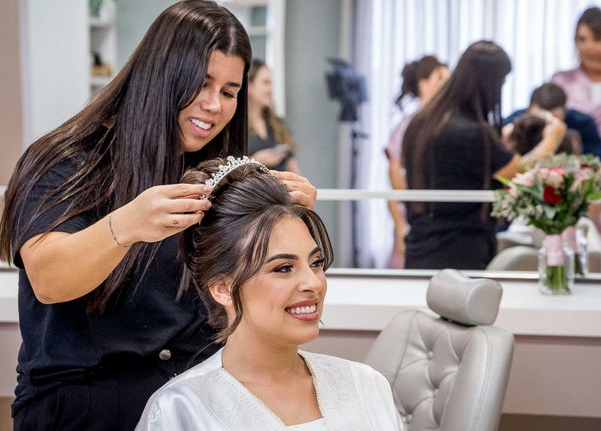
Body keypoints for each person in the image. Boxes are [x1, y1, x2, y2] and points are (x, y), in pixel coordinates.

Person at [0, 0, 316, 431]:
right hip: (82, 406)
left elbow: (239, 293)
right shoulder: (66, 161)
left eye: (228, 92)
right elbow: (49, 280)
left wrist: (286, 226)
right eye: (200, 85)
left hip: (193, 400)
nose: (214, 105)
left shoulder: (215, 173)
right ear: (159, 77)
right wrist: (125, 227)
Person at [136, 157, 403, 430]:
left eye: (316, 263)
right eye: (284, 268)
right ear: (223, 288)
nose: (313, 282)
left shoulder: (366, 386)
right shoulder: (180, 409)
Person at [401, 41, 565, 270]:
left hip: (419, 252)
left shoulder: (422, 123)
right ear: (490, 84)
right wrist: (552, 139)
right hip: (461, 256)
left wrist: (498, 146)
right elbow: (520, 172)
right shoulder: (472, 132)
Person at [385, 56, 450, 267]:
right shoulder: (408, 127)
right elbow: (395, 186)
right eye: (440, 78)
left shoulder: (451, 124)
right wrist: (402, 227)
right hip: (414, 221)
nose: (447, 85)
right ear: (423, 84)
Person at [503, 82, 601, 162]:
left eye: (553, 119)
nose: (545, 126)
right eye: (539, 119)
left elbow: (599, 159)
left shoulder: (581, 123)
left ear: (564, 110)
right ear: (529, 109)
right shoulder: (515, 122)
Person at [552, 7, 601, 150]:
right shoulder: (561, 81)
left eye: (597, 39)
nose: (588, 46)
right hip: (570, 167)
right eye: (582, 39)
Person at [248, 59, 301, 173]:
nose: (271, 89)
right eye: (266, 83)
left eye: (272, 83)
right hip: (253, 189)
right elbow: (228, 171)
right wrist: (255, 160)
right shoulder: (236, 127)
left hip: (281, 189)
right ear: (250, 86)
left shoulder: (278, 124)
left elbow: (293, 168)